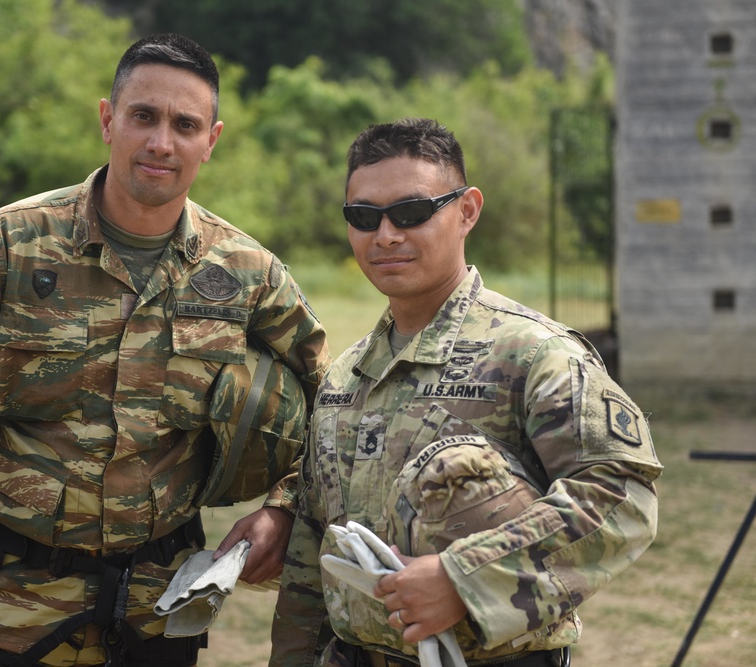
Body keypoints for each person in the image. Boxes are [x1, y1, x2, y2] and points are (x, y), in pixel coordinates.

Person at [0, 33, 330, 667]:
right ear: (109, 120)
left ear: (211, 141)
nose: (162, 141)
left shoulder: (247, 273)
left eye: (185, 124)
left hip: (158, 611)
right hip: (6, 606)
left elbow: (336, 403)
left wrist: (281, 510)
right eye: (143, 116)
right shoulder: (10, 245)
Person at [270, 117, 662, 667]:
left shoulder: (532, 353)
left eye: (411, 212)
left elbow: (621, 499)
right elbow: (315, 551)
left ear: (467, 210)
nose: (385, 235)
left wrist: (464, 579)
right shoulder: (346, 376)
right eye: (363, 217)